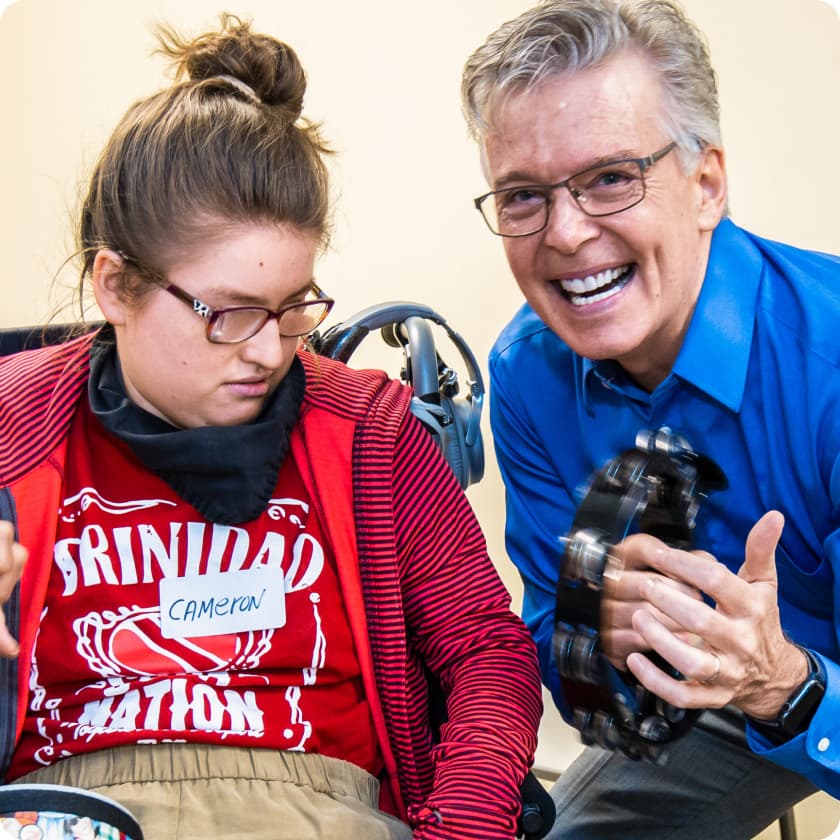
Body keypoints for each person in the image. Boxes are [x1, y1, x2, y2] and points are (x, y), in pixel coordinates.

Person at [0, 14, 543, 839]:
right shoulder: (12, 424)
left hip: (320, 809)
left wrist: (462, 825)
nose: (268, 351)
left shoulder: (370, 436)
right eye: (230, 313)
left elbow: (487, 653)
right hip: (65, 812)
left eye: (293, 308)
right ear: (115, 286)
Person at [461, 0, 840, 837]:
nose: (566, 234)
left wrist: (782, 684)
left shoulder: (830, 365)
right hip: (715, 707)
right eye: (523, 196)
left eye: (609, 177)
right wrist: (597, 633)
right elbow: (572, 676)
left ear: (706, 186)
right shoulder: (526, 374)